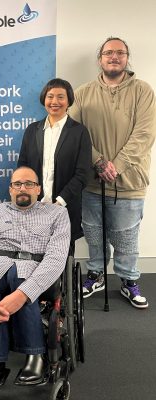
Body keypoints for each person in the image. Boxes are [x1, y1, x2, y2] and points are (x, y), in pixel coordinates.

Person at [69, 37, 156, 309]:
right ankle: (96, 274)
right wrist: (99, 162)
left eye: (120, 52)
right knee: (94, 234)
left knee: (126, 237)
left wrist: (116, 165)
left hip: (129, 182)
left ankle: (129, 280)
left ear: (127, 58)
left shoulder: (143, 91)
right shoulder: (83, 92)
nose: (114, 56)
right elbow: (74, 131)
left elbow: (144, 134)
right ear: (100, 59)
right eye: (109, 52)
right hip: (92, 182)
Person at [0, 166, 71, 384]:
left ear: (38, 189)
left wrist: (22, 294)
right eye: (17, 184)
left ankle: (35, 355)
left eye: (29, 184)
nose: (23, 188)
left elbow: (56, 259)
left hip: (35, 269)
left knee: (19, 276)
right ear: (10, 189)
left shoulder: (57, 214)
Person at [18, 78, 91, 255]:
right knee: (34, 257)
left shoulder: (79, 132)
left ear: (68, 101)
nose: (55, 102)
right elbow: (23, 167)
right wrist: (30, 196)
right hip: (35, 207)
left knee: (63, 256)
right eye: (50, 96)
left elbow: (83, 174)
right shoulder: (32, 130)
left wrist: (59, 202)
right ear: (44, 99)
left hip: (64, 207)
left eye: (61, 97)